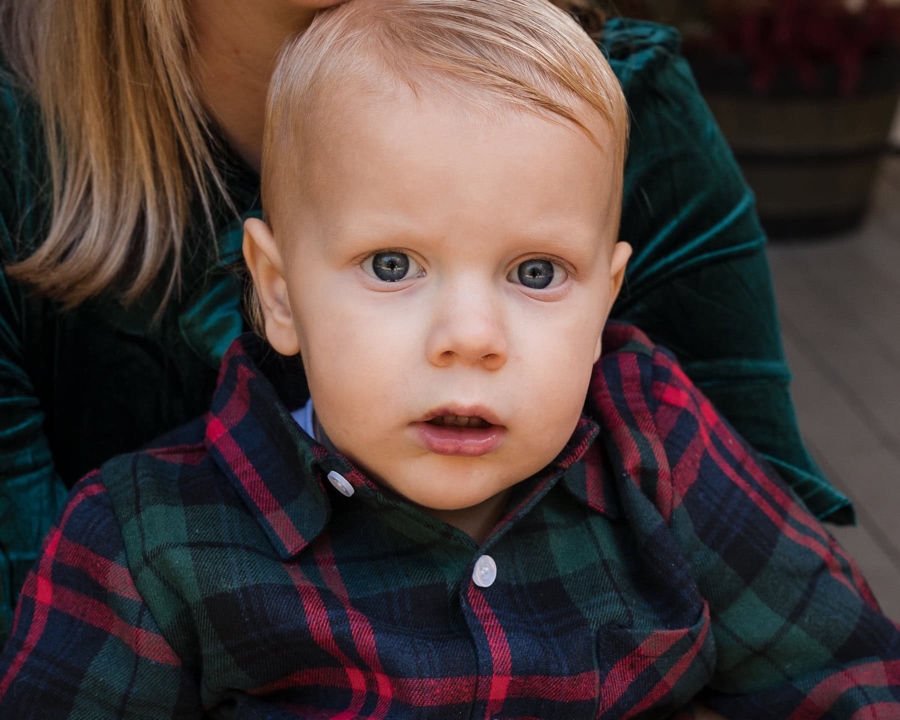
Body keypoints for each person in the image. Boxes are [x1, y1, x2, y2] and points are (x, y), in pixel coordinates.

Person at [1, 0, 897, 716]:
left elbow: (845, 675)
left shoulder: (658, 453)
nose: (471, 335)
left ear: (607, 300)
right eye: (392, 266)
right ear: (276, 290)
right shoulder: (150, 546)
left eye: (536, 272)